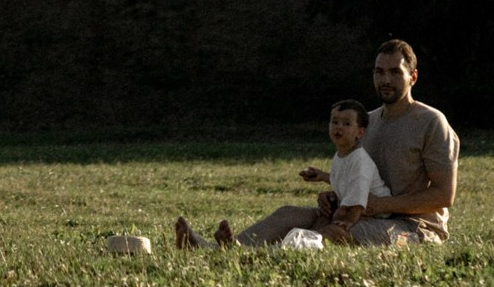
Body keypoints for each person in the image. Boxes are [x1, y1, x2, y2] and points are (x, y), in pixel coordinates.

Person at [185, 39, 461, 248]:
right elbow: (360, 176)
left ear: (412, 77)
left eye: (395, 72)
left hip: (415, 229)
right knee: (288, 214)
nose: (385, 80)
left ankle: (270, 256)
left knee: (341, 233)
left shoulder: (432, 123)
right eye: (379, 72)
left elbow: (443, 195)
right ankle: (219, 249)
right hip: (364, 214)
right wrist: (334, 196)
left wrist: (380, 205)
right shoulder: (366, 122)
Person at [176, 98, 389, 249]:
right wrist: (323, 177)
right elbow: (343, 180)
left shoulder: (360, 162)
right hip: (344, 210)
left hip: (367, 219)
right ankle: (233, 245)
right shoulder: (342, 155)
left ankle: (256, 253)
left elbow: (357, 206)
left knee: (319, 232)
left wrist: (337, 221)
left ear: (360, 132)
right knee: (287, 211)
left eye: (346, 123)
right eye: (334, 122)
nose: (338, 127)